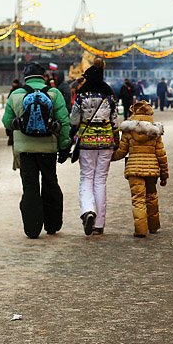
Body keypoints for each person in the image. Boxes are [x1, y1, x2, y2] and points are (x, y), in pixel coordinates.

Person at [3, 62, 70, 238]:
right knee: (50, 184)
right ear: (43, 76)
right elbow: (63, 123)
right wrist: (63, 146)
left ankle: (32, 228)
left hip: (25, 150)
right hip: (48, 149)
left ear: (26, 76)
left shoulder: (16, 94)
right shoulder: (54, 94)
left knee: (30, 187)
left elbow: (6, 121)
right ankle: (52, 224)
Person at [69, 58, 118, 236]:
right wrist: (115, 138)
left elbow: (74, 120)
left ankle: (88, 211)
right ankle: (99, 224)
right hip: (106, 143)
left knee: (86, 178)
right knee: (100, 181)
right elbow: (114, 120)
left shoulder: (82, 93)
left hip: (87, 143)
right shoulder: (108, 93)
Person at [111, 101, 168, 237]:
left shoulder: (128, 130)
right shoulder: (155, 131)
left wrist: (109, 157)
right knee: (151, 197)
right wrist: (164, 174)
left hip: (134, 169)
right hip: (152, 169)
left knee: (138, 199)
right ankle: (153, 226)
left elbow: (122, 151)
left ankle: (141, 230)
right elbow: (161, 154)